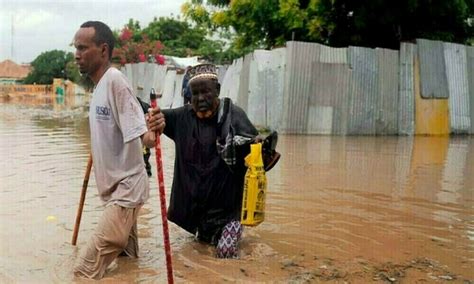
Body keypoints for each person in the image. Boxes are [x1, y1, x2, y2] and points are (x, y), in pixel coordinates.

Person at [146, 63, 280, 258]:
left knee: (225, 254)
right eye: (195, 93)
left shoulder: (234, 116)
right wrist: (153, 117)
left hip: (229, 213)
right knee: (198, 255)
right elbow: (151, 113)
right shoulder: (181, 118)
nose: (200, 98)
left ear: (217, 90)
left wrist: (260, 151)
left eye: (206, 92)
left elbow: (258, 159)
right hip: (198, 212)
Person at [72, 21, 165, 279]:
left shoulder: (115, 81)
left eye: (83, 48)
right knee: (129, 267)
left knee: (83, 273)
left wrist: (154, 129)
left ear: (103, 50)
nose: (76, 54)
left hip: (126, 191)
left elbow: (144, 138)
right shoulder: (99, 86)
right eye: (75, 48)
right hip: (117, 190)